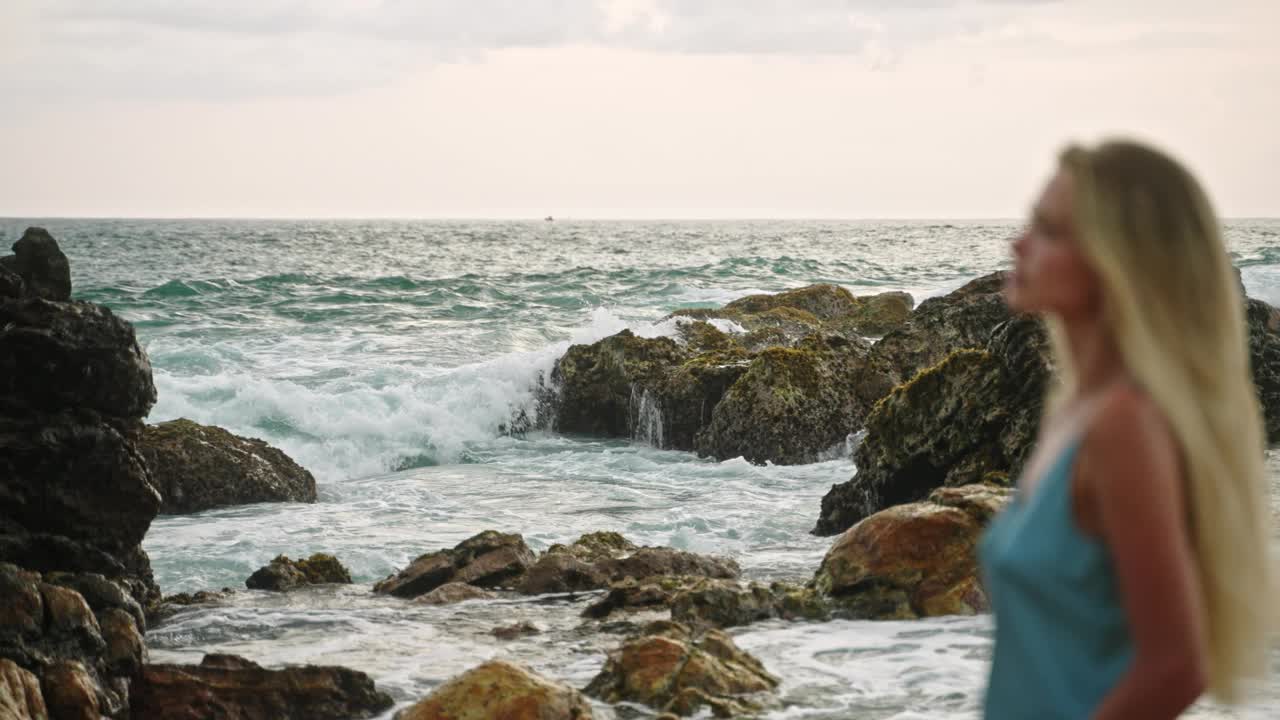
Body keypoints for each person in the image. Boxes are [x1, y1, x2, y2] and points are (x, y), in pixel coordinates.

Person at [978, 139, 1274, 718]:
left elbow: (1175, 668)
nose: (1019, 243)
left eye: (1050, 230)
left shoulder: (1124, 426)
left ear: (1116, 263)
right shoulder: (1075, 411)